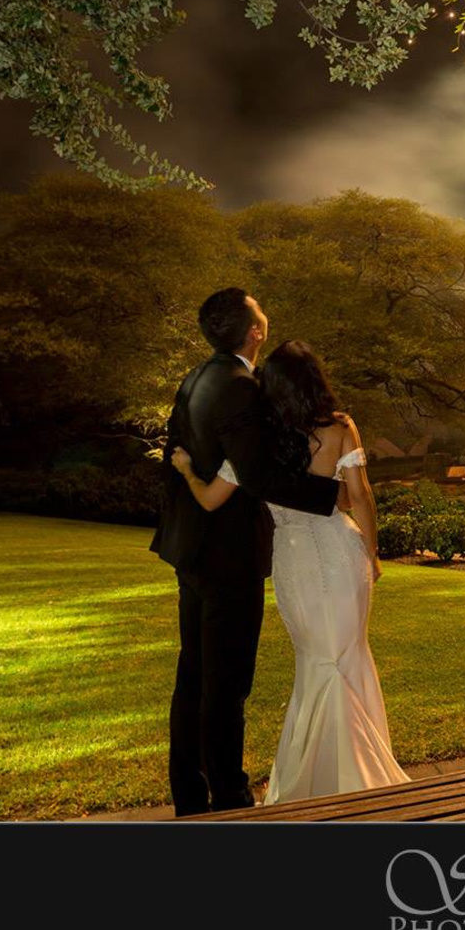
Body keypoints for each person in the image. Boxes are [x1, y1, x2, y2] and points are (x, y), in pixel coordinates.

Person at [171, 338, 410, 804]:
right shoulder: (340, 427)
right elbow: (359, 497)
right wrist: (374, 552)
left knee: (318, 662)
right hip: (342, 554)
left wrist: (185, 469)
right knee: (348, 654)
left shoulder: (258, 440)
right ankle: (360, 778)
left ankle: (314, 778)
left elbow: (209, 499)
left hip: (294, 560)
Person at [150, 289, 345, 817]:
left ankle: (190, 796)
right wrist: (333, 495)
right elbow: (256, 475)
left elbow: (176, 458)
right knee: (227, 681)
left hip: (190, 549)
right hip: (227, 555)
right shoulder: (239, 386)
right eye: (261, 310)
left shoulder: (197, 378)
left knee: (193, 675)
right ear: (254, 332)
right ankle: (230, 798)